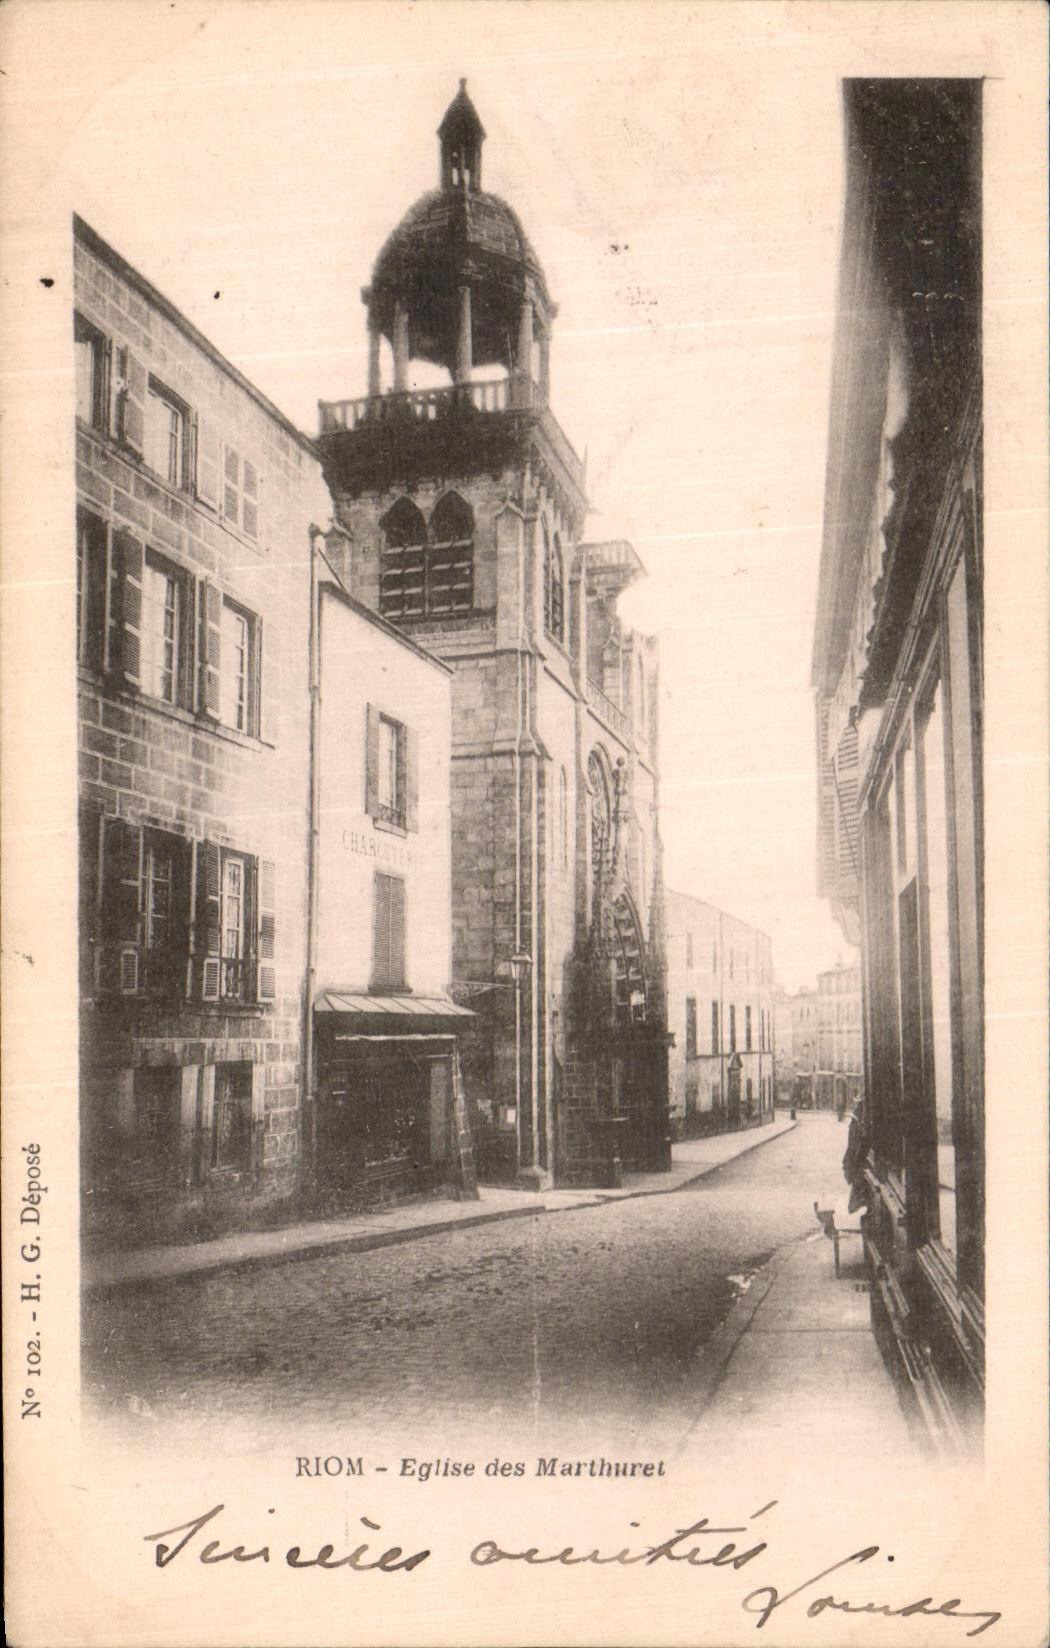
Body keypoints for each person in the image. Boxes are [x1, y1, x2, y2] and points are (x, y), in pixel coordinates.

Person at [842, 1098, 869, 1214]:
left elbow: (853, 1147)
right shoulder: (857, 1121)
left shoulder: (857, 1120)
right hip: (856, 1161)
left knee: (857, 1195)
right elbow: (853, 1146)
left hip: (856, 1162)